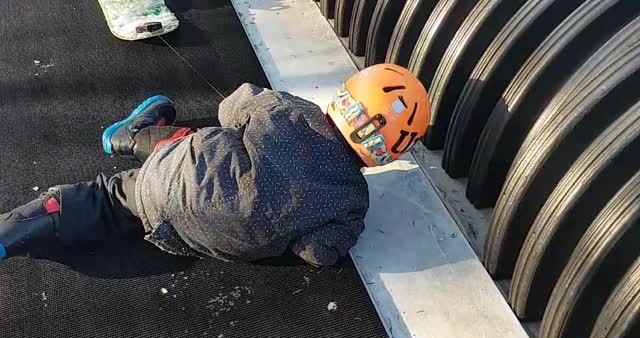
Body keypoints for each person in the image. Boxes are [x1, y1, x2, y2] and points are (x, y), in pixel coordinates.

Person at [0, 64, 430, 266]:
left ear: (345, 96)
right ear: (390, 152)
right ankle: (132, 143)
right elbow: (317, 253)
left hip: (170, 178)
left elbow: (230, 109)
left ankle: (14, 228)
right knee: (182, 168)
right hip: (197, 241)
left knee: (112, 192)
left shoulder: (288, 110)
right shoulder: (353, 201)